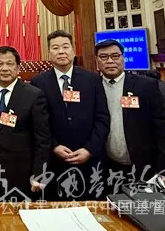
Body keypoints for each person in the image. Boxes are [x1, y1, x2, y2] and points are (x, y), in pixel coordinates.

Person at [30, 30, 110, 201]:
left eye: (65, 47)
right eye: (55, 48)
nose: (61, 51)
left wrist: (89, 149)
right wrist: (54, 146)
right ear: (48, 53)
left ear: (73, 50)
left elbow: (102, 118)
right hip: (55, 162)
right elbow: (38, 123)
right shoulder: (39, 82)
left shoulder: (93, 79)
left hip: (90, 161)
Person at [95, 40, 165, 192]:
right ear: (97, 61)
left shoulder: (146, 86)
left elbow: (163, 127)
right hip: (105, 167)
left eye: (115, 56)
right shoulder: (92, 86)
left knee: (146, 211)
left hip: (144, 166)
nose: (110, 61)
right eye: (104, 57)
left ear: (123, 58)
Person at [0, 46, 51, 202]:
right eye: (0, 64)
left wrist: (39, 174)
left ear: (18, 67)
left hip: (22, 175)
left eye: (10, 64)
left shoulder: (33, 95)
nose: (5, 68)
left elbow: (43, 139)